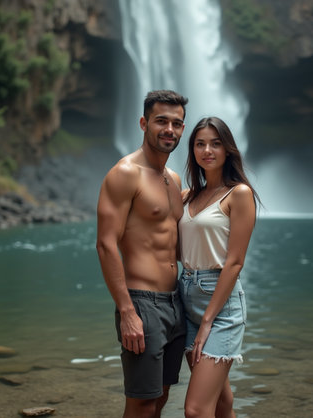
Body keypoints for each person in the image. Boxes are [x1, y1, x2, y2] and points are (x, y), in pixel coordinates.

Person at [96, 90, 189, 418]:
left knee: (161, 395)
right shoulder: (125, 174)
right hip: (142, 303)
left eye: (177, 124)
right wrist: (127, 311)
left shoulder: (172, 180)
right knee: (142, 403)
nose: (170, 130)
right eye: (161, 121)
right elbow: (106, 244)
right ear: (143, 123)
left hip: (175, 302)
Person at [178, 117, 259, 418]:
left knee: (196, 410)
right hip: (186, 297)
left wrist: (209, 319)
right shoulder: (188, 196)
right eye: (200, 144)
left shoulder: (238, 194)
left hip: (220, 306)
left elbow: (235, 262)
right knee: (220, 401)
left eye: (215, 143)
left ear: (228, 150)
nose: (207, 150)